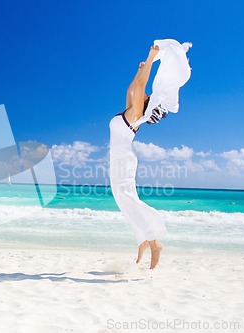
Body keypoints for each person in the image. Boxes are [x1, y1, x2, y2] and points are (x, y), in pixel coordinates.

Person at [109, 45, 167, 269]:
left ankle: (155, 243)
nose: (142, 93)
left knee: (127, 199)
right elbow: (131, 88)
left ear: (144, 105)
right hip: (119, 160)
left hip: (123, 160)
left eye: (145, 96)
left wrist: (151, 58)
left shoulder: (135, 115)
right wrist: (140, 68)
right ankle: (143, 239)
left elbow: (140, 86)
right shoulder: (128, 113)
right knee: (123, 200)